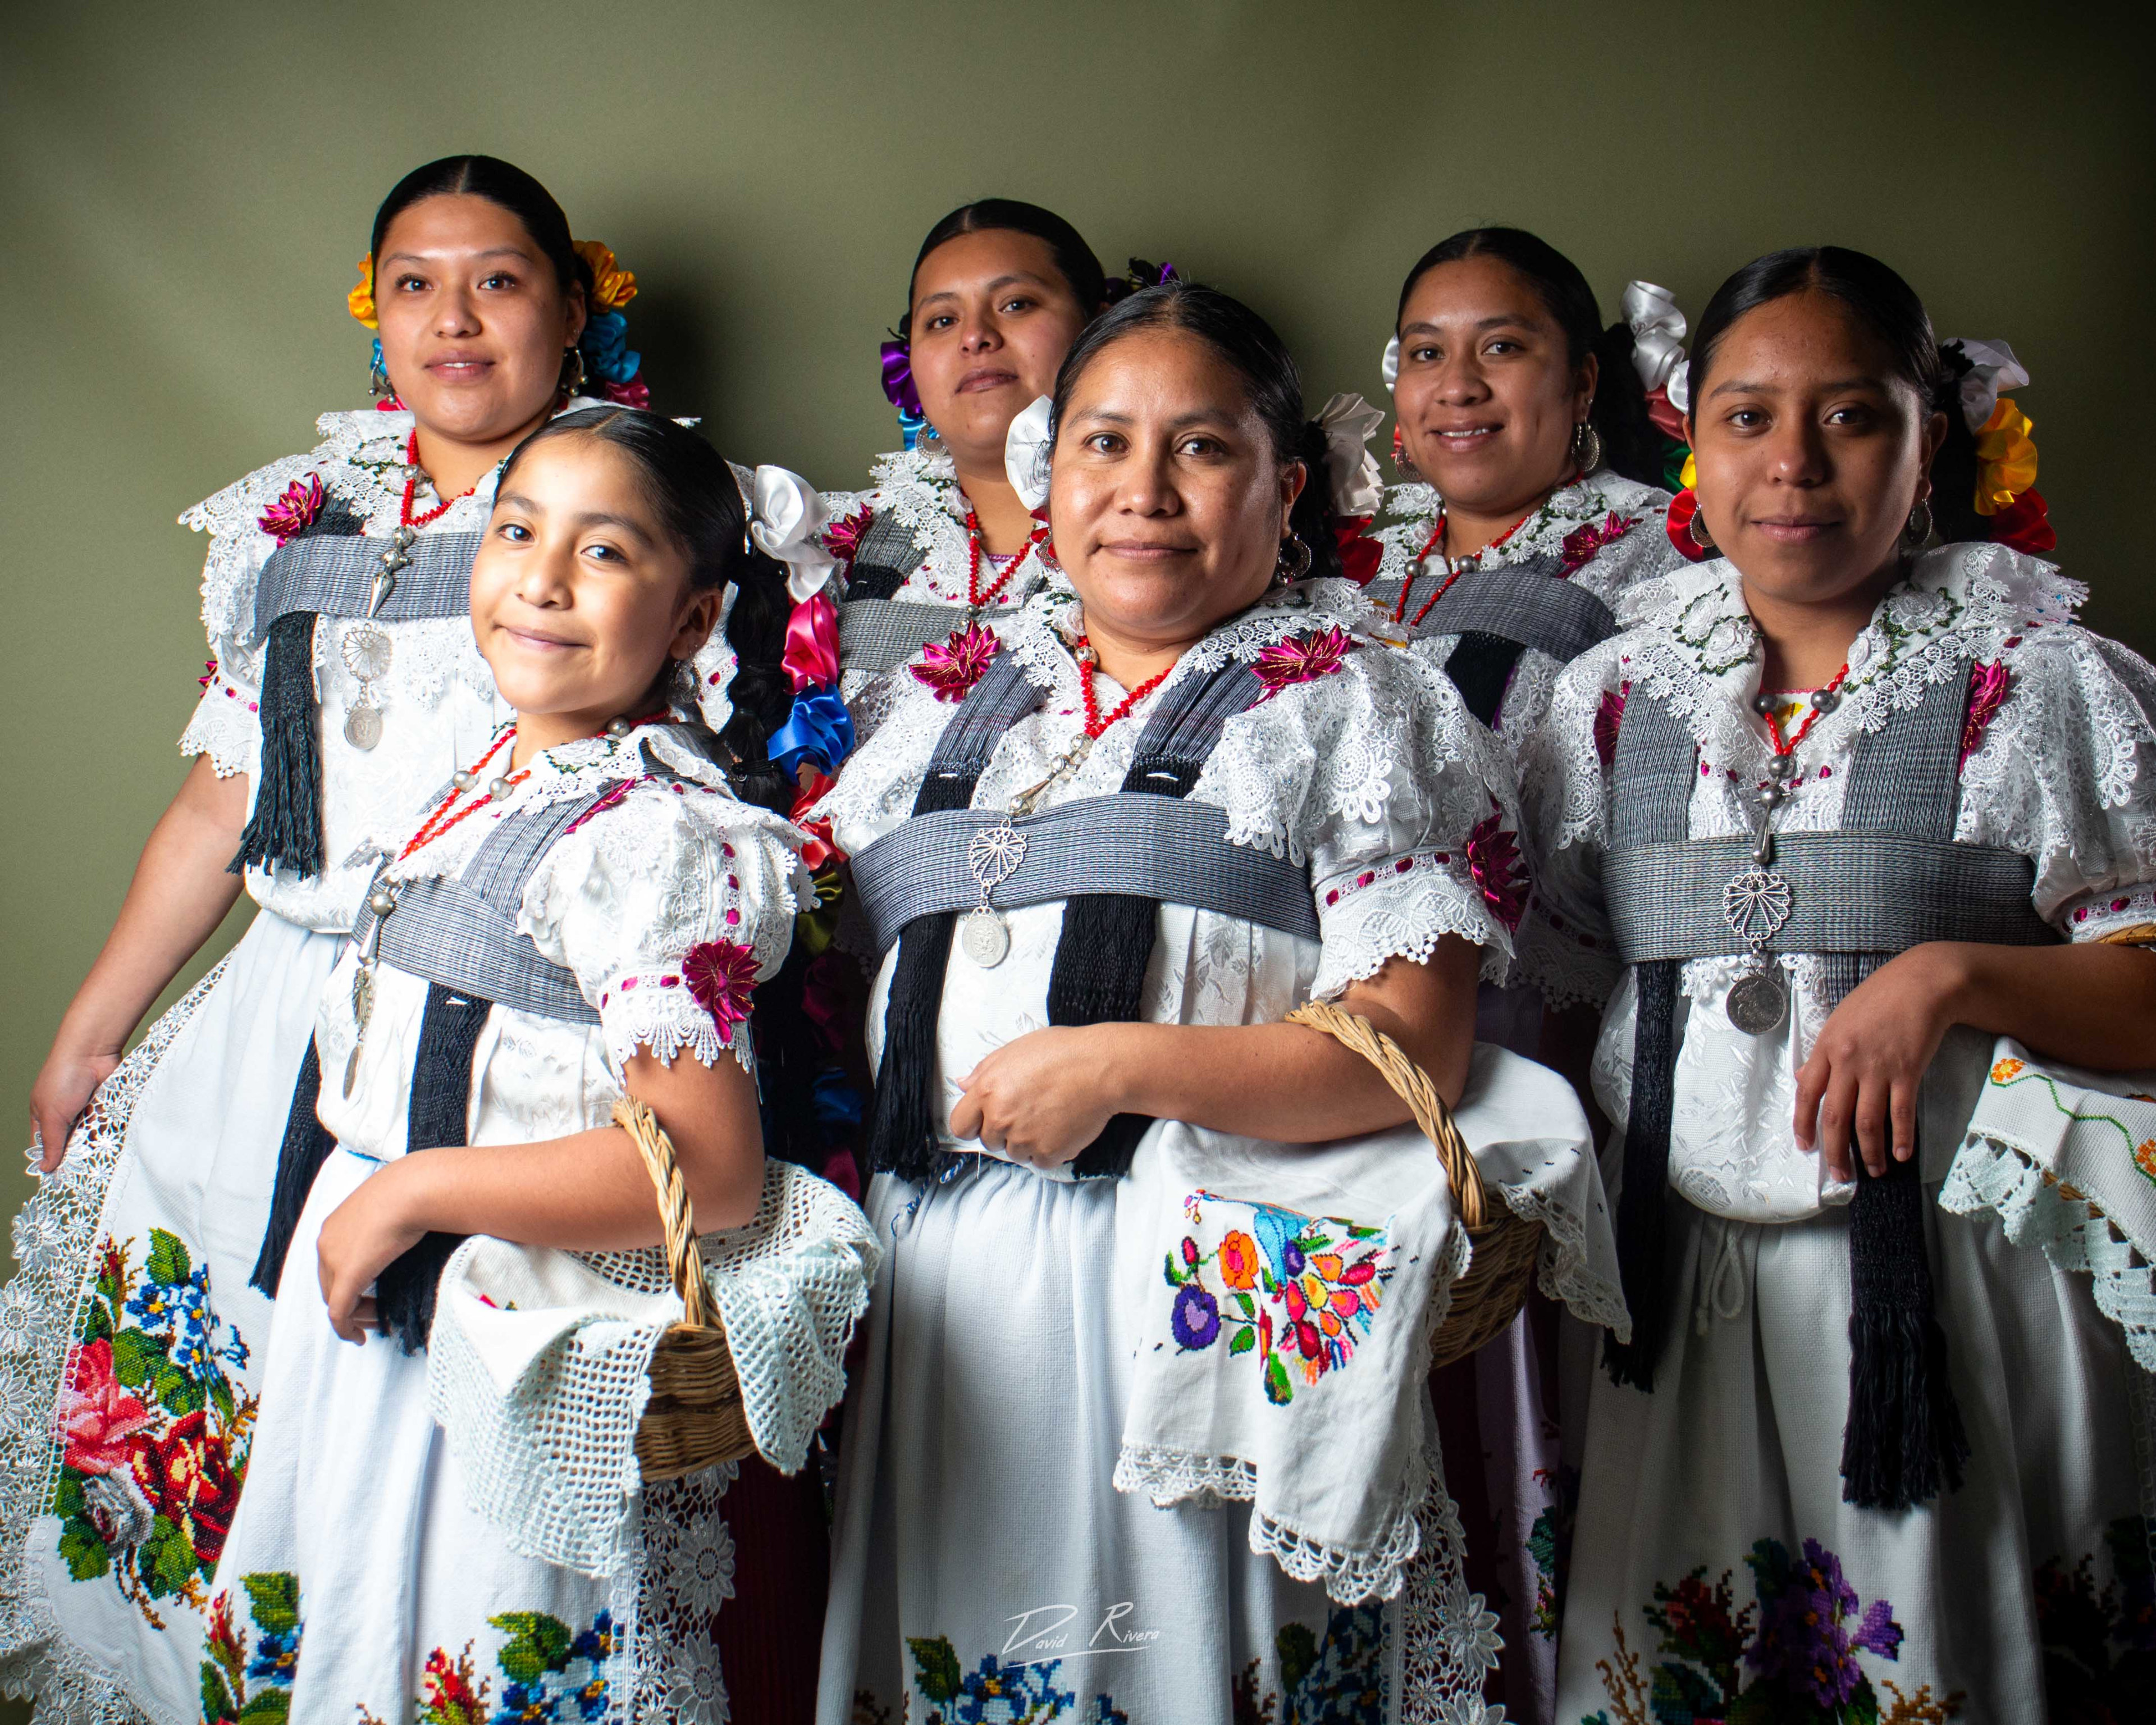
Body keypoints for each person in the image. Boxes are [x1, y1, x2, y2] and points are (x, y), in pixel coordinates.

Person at [814, 280, 1619, 1724]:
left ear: (1285, 485)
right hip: (939, 1291)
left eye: (1199, 448)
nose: (1142, 491)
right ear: (1044, 479)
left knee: (1169, 1668)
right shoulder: (941, 702)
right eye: (1102, 446)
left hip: (1186, 1287)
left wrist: (1121, 1062)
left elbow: (1408, 1050)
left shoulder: (1359, 706)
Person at [0, 154, 672, 1720]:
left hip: (494, 1038)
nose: (456, 317)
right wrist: (94, 1028)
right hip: (274, 1029)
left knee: (421, 1471)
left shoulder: (634, 511)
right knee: (222, 1403)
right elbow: (219, 809)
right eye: (417, 283)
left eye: (499, 279)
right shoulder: (303, 529)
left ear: (574, 308)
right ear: (378, 319)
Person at [1519, 247, 2156, 1721]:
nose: (1792, 463)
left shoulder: (2037, 683)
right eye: (1748, 416)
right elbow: (1554, 987)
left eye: (1851, 416)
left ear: (1933, 437)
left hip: (1941, 1294)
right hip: (1670, 1294)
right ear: (1689, 434)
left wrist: (1945, 976)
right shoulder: (1609, 697)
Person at [202, 407, 874, 1723]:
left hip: (517, 1333)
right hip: (391, 1323)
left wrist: (408, 1191)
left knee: (483, 1635)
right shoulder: (499, 781)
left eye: (605, 551)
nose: (542, 577)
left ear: (690, 622)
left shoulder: (655, 836)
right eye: (517, 529)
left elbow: (711, 1168)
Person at [1365, 227, 1694, 1722]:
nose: (1457, 384)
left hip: (1540, 1029)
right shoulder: (1351, 555)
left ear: (1582, 383)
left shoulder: (1658, 558)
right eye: (1426, 349)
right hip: (1351, 1043)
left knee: (1510, 1358)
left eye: (1501, 347)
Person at [818, 199, 1135, 737]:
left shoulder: (1162, 533)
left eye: (1016, 304)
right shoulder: (821, 550)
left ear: (1101, 329)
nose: (975, 336)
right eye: (942, 319)